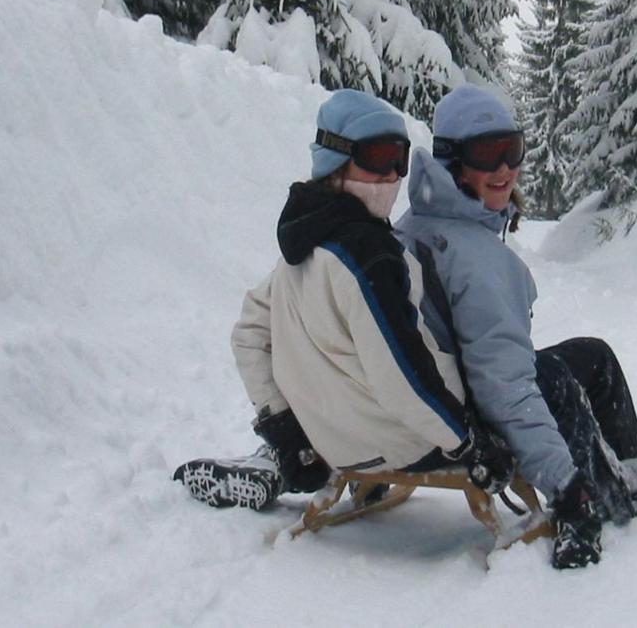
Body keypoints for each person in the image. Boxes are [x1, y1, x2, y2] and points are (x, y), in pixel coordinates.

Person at [173, 90, 510, 510]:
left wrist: (286, 431)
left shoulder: (304, 245)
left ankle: (283, 459)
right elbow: (401, 375)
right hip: (409, 440)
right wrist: (467, 442)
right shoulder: (369, 254)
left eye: (399, 158)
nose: (391, 175)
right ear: (335, 159)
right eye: (376, 156)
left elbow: (248, 335)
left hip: (334, 443)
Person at [394, 84, 637, 570]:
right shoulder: (476, 259)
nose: (505, 168)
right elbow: (506, 388)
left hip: (445, 390)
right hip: (475, 414)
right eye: (487, 153)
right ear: (452, 160)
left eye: (513, 150)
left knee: (593, 355)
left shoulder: (417, 221)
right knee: (554, 379)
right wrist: (568, 489)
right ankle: (610, 490)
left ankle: (618, 457)